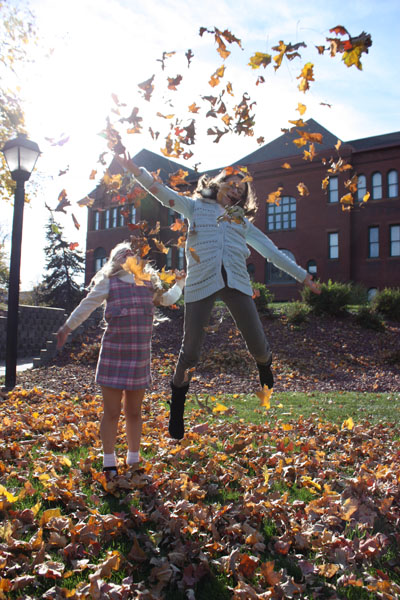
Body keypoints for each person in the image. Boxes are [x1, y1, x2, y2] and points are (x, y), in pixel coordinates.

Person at [117, 156, 321, 440]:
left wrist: (302, 276)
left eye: (241, 188)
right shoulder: (196, 207)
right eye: (231, 183)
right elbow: (164, 195)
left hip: (236, 282)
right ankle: (177, 408)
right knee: (190, 352)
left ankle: (265, 365)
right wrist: (136, 172)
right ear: (217, 184)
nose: (236, 189)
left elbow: (271, 250)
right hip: (201, 283)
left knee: (257, 343)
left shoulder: (241, 221)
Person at [56, 241, 186, 477]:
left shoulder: (147, 283)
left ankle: (133, 459)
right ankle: (109, 462)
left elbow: (167, 300)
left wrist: (180, 283)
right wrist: (67, 326)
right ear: (114, 262)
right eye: (122, 253)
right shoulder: (109, 283)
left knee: (134, 412)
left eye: (132, 253)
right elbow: (87, 305)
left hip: (138, 358)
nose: (128, 254)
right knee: (112, 411)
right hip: (113, 355)